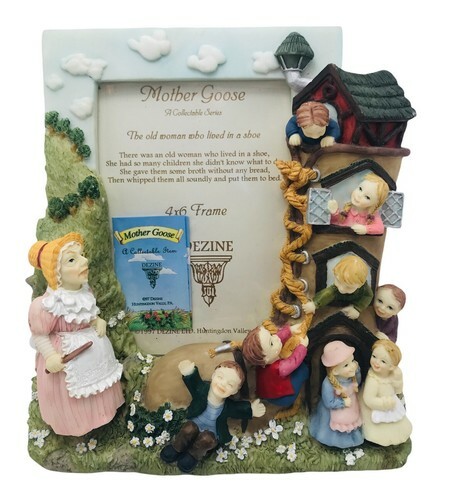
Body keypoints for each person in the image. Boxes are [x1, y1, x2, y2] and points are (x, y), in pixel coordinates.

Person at [28, 232, 124, 436]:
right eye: (72, 260)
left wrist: (97, 321)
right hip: (66, 357)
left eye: (82, 255)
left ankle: (102, 416)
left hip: (93, 353)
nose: (84, 261)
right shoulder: (47, 304)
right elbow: (40, 335)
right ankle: (77, 425)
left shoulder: (85, 292)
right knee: (70, 395)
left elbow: (86, 314)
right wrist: (50, 356)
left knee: (99, 387)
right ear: (56, 273)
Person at [160, 360, 265, 473]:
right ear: (213, 375)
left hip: (212, 432)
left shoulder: (228, 405)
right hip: (195, 423)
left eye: (230, 385)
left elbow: (238, 409)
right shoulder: (202, 390)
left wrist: (251, 410)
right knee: (188, 429)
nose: (222, 384)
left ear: (235, 391)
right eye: (220, 377)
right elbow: (195, 384)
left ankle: (193, 455)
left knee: (206, 439)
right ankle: (177, 447)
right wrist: (189, 372)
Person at [241, 323, 309, 416]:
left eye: (271, 335)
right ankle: (306, 373)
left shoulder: (262, 360)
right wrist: (302, 347)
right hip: (283, 398)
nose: (275, 338)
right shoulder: (280, 368)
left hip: (267, 392)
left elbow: (277, 338)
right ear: (266, 359)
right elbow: (294, 361)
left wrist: (290, 330)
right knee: (302, 370)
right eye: (271, 343)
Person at [309, 340, 363, 448]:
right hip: (335, 409)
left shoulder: (351, 375)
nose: (352, 366)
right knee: (337, 424)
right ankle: (336, 440)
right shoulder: (328, 384)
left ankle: (352, 437)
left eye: (352, 361)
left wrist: (357, 373)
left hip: (351, 407)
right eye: (346, 365)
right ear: (335, 371)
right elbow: (329, 402)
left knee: (352, 422)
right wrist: (343, 402)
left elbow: (358, 382)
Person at [360, 339, 412, 446]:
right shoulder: (373, 380)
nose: (376, 362)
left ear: (392, 366)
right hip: (375, 407)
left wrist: (398, 379)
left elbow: (398, 391)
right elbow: (368, 399)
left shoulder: (392, 375)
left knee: (397, 426)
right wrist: (383, 404)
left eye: (383, 361)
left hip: (391, 405)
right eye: (374, 356)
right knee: (379, 430)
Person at [302, 254, 373, 320]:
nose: (341, 289)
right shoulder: (336, 289)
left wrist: (357, 308)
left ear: (360, 285)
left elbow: (368, 296)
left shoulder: (364, 289)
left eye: (348, 287)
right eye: (338, 281)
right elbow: (326, 294)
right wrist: (314, 304)